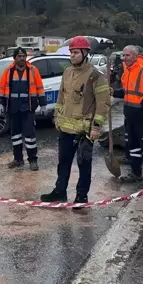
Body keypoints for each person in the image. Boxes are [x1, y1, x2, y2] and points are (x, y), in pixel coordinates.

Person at [40, 36, 110, 205]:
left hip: (84, 131)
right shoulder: (67, 72)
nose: (72, 55)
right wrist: (57, 117)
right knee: (63, 163)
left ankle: (81, 196)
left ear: (85, 53)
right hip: (65, 128)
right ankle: (59, 192)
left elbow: (103, 103)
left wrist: (96, 127)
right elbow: (61, 97)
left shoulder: (95, 76)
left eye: (76, 52)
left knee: (84, 165)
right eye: (71, 52)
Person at [112, 45, 143, 188]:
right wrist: (115, 92)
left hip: (142, 116)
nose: (124, 58)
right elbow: (127, 92)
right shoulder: (126, 72)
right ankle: (136, 173)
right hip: (129, 115)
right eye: (123, 55)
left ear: (135, 56)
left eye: (127, 55)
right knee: (132, 146)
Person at [0, 47, 47, 171]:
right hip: (13, 108)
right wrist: (0, 103)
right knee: (15, 136)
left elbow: (40, 88)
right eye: (19, 56)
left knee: (30, 136)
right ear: (15, 58)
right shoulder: (8, 71)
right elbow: (2, 88)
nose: (22, 58)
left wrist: (43, 104)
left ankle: (33, 160)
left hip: (28, 108)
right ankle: (18, 159)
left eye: (23, 56)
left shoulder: (33, 70)